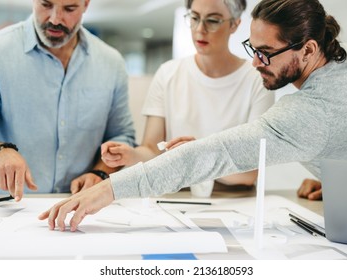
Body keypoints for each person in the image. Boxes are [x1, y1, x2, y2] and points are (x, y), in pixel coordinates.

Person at [40, 0, 347, 232]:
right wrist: (339, 173)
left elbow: (215, 154)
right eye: (253, 49)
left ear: (309, 49)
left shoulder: (310, 114)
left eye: (266, 53)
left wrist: (109, 190)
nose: (255, 63)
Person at [0, 0, 135, 202]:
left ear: (86, 5)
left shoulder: (111, 62)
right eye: (46, 5)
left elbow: (122, 136)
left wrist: (100, 173)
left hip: (78, 208)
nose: (55, 19)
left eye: (69, 9)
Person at [101, 0, 274, 188]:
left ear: (235, 24)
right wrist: (129, 155)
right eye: (194, 18)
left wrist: (197, 155)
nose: (200, 29)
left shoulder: (257, 80)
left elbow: (250, 172)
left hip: (234, 199)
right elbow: (153, 149)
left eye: (213, 21)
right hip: (177, 195)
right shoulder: (168, 73)